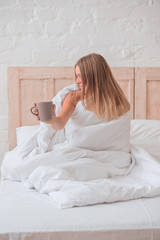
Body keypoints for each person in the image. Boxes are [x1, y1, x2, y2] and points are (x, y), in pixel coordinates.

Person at [33, 53, 130, 129]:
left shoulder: (116, 99)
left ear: (93, 76)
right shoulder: (73, 97)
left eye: (80, 76)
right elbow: (60, 123)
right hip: (80, 146)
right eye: (77, 76)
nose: (77, 81)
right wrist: (52, 119)